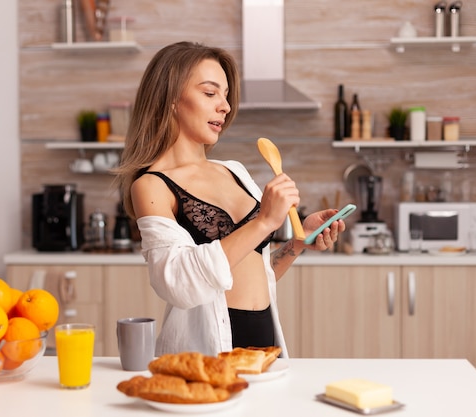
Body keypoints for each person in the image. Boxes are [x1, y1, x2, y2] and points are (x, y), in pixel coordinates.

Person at [114, 41, 345, 358]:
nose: (225, 106)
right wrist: (264, 221)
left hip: (266, 350)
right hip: (206, 356)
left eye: (225, 95)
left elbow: (251, 273)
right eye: (210, 93)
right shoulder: (152, 185)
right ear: (170, 100)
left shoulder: (233, 171)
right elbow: (179, 286)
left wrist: (296, 245)